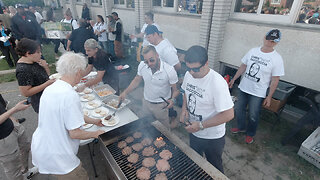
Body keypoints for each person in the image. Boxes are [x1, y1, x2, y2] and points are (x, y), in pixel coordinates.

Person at [31, 52, 105, 179]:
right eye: (81, 73)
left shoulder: (51, 88)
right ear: (77, 72)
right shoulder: (69, 95)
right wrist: (95, 134)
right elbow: (75, 133)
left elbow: (72, 115)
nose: (81, 76)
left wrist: (94, 121)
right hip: (59, 155)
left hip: (44, 147)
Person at [180, 45, 234, 173]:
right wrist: (184, 110)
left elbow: (229, 114)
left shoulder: (217, 83)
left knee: (214, 168)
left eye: (195, 69)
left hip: (212, 137)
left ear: (206, 63)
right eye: (188, 68)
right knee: (195, 160)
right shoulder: (189, 75)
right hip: (194, 131)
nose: (191, 72)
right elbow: (186, 93)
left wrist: (201, 125)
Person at [229, 29, 285, 144]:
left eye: (273, 41)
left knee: (253, 115)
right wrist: (234, 79)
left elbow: (275, 79)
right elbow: (243, 66)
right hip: (244, 87)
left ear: (277, 42)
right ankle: (241, 127)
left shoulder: (277, 58)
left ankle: (250, 133)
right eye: (268, 39)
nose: (269, 42)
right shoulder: (253, 51)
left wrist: (269, 96)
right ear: (264, 37)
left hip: (258, 92)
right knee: (239, 109)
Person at [119, 45, 179, 128]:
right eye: (146, 61)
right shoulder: (142, 65)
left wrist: (172, 100)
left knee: (164, 131)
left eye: (152, 60)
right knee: (145, 127)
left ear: (157, 55)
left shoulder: (169, 70)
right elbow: (136, 80)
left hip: (161, 105)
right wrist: (125, 92)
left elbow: (176, 90)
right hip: (146, 102)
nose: (149, 64)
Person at [0, 99, 38, 180]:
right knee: (12, 167)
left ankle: (25, 173)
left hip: (11, 125)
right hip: (3, 139)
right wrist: (15, 109)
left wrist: (10, 117)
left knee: (25, 147)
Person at [15, 38, 55, 113]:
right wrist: (46, 84)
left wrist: (45, 66)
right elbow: (26, 93)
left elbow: (47, 76)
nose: (40, 54)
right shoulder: (23, 70)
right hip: (41, 101)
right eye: (38, 52)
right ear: (28, 53)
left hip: (49, 96)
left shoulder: (34, 61)